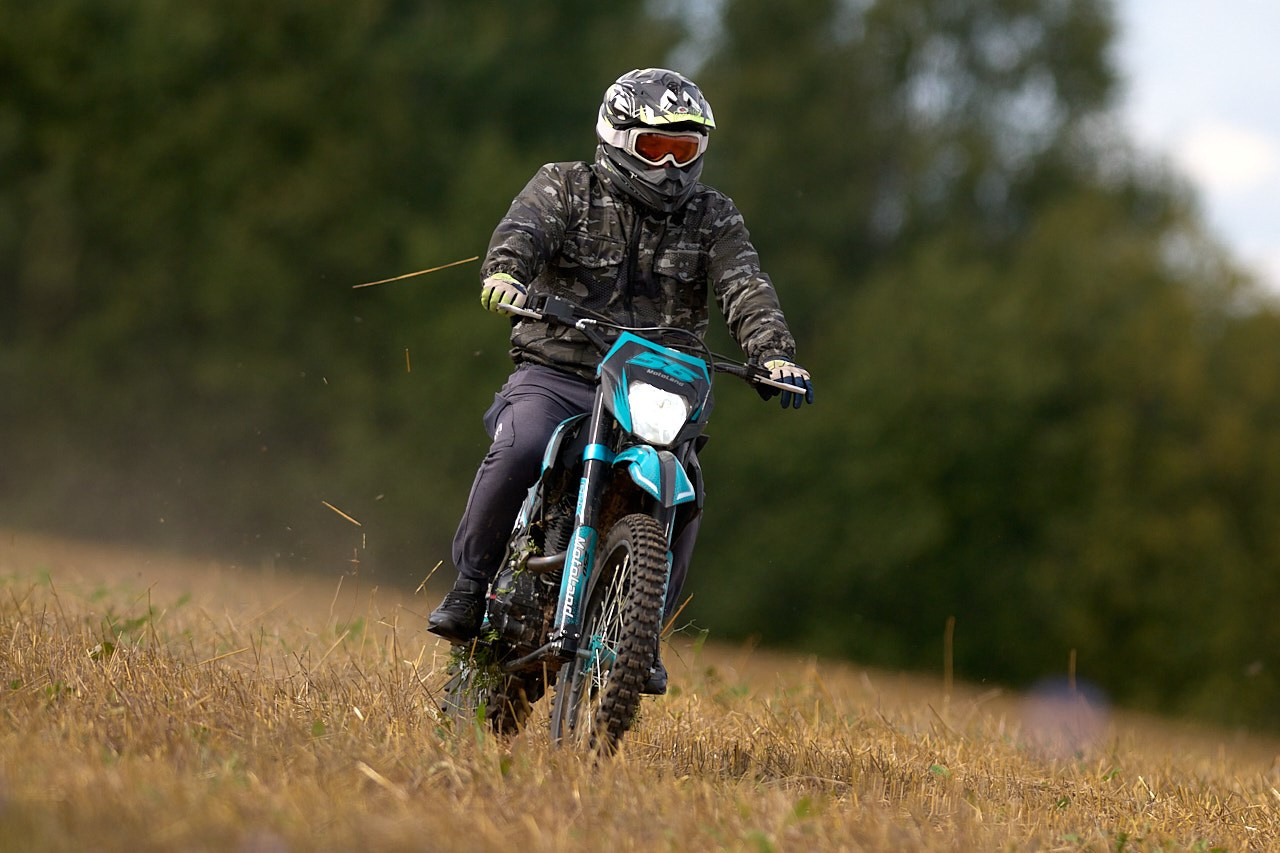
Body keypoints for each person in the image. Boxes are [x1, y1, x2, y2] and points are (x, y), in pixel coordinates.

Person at [427, 68, 813, 693]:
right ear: (617, 137)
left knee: (683, 497)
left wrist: (774, 356)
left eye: (684, 150)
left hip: (656, 382)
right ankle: (471, 587)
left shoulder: (713, 216)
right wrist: (505, 275)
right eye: (655, 147)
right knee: (522, 446)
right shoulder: (566, 186)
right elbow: (521, 235)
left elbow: (746, 287)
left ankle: (639, 640)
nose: (670, 167)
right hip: (558, 371)